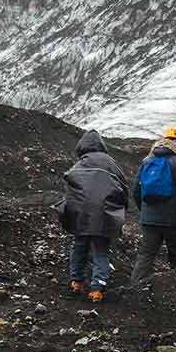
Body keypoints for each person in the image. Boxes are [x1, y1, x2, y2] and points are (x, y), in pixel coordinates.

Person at [58, 129, 128, 304]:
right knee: (100, 250)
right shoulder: (111, 163)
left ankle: (76, 282)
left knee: (79, 246)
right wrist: (120, 210)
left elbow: (69, 180)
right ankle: (97, 289)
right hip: (105, 215)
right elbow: (124, 187)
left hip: (81, 214)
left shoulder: (81, 163)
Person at [129, 126, 176, 291]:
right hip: (173, 219)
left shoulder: (148, 160)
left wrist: (144, 211)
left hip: (149, 219)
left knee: (146, 255)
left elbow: (136, 190)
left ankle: (134, 290)